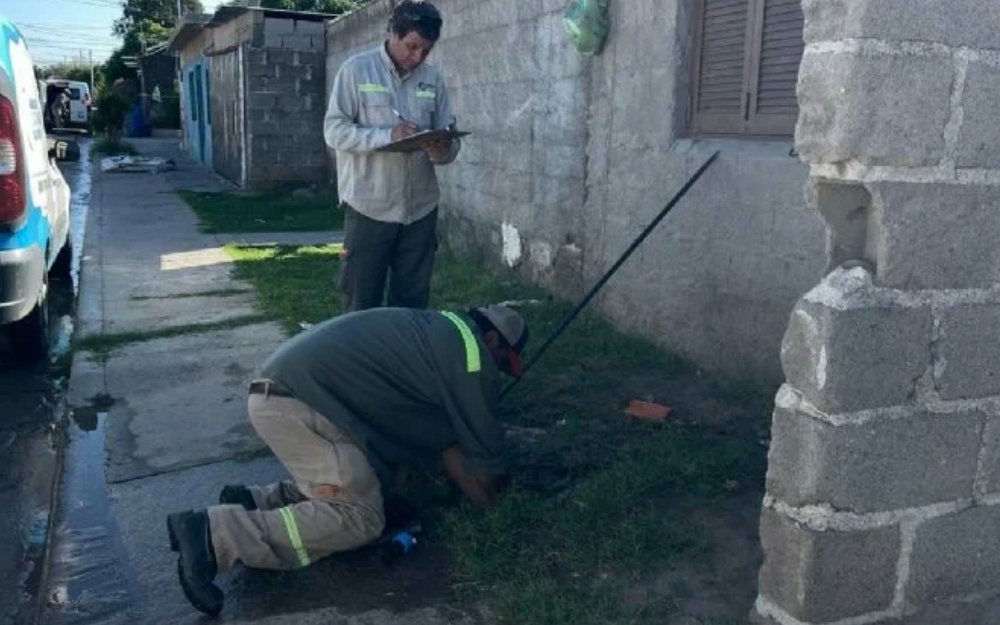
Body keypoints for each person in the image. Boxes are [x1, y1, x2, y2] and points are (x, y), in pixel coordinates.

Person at [166, 305, 528, 615]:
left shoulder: (437, 332)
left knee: (371, 485)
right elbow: (485, 457)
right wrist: (498, 509)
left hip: (286, 392)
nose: (496, 373)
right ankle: (217, 536)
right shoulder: (471, 354)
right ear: (492, 339)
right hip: (296, 404)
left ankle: (258, 501)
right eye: (502, 362)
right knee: (361, 516)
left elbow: (439, 439)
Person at [323, 0, 460, 312]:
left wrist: (443, 149)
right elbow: (334, 131)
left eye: (426, 50)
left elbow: (448, 135)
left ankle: (406, 345)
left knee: (412, 304)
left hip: (420, 209)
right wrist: (387, 135)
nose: (418, 57)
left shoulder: (433, 79)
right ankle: (363, 346)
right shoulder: (356, 70)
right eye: (412, 47)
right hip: (370, 207)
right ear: (393, 34)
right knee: (361, 303)